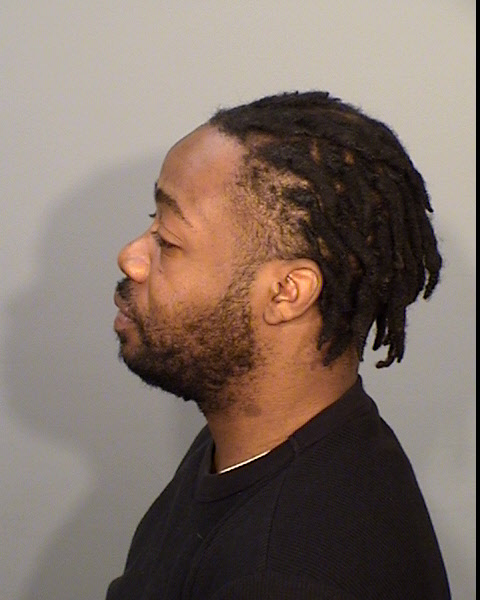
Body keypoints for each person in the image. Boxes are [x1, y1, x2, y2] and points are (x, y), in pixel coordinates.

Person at [107, 92, 451, 599]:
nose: (131, 257)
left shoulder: (284, 577)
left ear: (287, 292)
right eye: (151, 221)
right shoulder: (250, 443)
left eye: (170, 241)